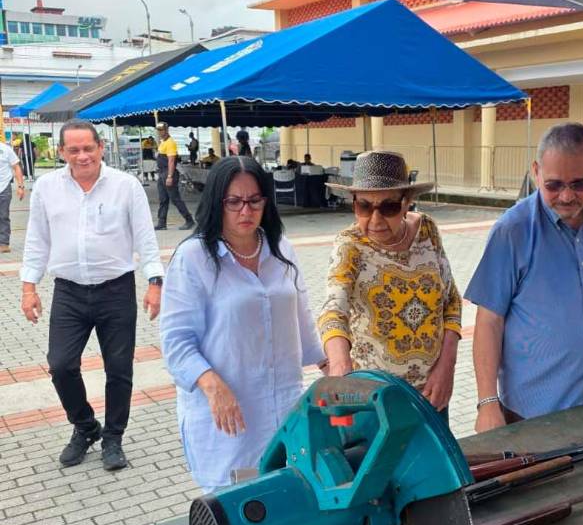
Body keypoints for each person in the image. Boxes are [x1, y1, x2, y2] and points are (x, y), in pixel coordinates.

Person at [466, 123, 583, 431]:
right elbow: (489, 320)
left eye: (580, 184)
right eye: (553, 185)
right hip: (534, 415)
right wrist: (487, 403)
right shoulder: (512, 231)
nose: (566, 196)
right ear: (536, 172)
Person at [159, 155, 325, 492]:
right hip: (228, 416)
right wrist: (212, 385)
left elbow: (301, 316)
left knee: (287, 497)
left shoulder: (280, 248)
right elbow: (176, 342)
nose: (245, 211)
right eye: (233, 202)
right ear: (216, 202)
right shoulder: (194, 257)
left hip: (284, 410)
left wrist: (330, 365)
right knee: (240, 505)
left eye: (254, 201)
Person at [20, 119, 164, 470]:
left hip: (116, 291)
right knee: (61, 365)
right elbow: (37, 240)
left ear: (101, 147)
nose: (82, 156)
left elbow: (145, 238)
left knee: (119, 369)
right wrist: (28, 287)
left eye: (88, 148)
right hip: (68, 292)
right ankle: (85, 427)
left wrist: (155, 282)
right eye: (74, 150)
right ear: (61, 152)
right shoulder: (47, 188)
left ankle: (113, 438)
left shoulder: (126, 186)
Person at [318, 151, 461, 417]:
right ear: (353, 203)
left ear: (407, 203)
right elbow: (333, 310)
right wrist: (339, 367)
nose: (375, 220)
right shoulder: (350, 245)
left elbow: (451, 300)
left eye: (389, 207)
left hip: (431, 394)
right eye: (364, 207)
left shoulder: (427, 230)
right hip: (374, 400)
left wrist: (447, 367)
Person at [154, 122, 195, 231]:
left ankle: (189, 220)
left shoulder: (170, 143)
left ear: (166, 130)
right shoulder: (163, 142)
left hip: (168, 172)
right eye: (159, 130)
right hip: (162, 172)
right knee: (163, 199)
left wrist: (170, 176)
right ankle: (161, 223)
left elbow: (171, 161)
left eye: (162, 130)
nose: (160, 132)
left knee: (175, 199)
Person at [1, 139, 27, 253]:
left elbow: (16, 167)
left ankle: (3, 243)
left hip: (3, 187)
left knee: (3, 216)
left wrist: (20, 186)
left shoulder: (5, 149)